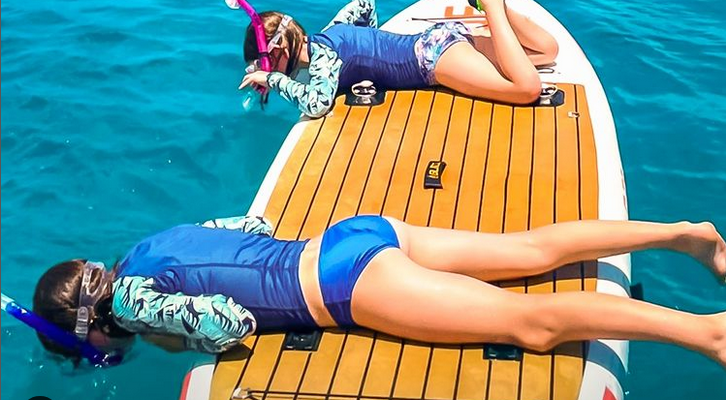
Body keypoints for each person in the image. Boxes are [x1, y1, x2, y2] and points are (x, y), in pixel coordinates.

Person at [32, 212, 726, 368]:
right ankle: (683, 233)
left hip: (342, 286)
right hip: (350, 236)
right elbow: (249, 223)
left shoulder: (131, 302)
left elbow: (230, 321)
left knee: (530, 323)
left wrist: (164, 332)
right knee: (530, 249)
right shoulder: (145, 247)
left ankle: (707, 332)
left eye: (80, 344)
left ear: (88, 319)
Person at [232, 0, 559, 118]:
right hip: (439, 38)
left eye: (265, 64)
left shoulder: (322, 59)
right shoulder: (331, 32)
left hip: (430, 61)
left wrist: (273, 80)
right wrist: (371, 51)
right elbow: (365, 1)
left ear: (278, 52)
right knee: (546, 51)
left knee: (525, 88)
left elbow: (317, 103)